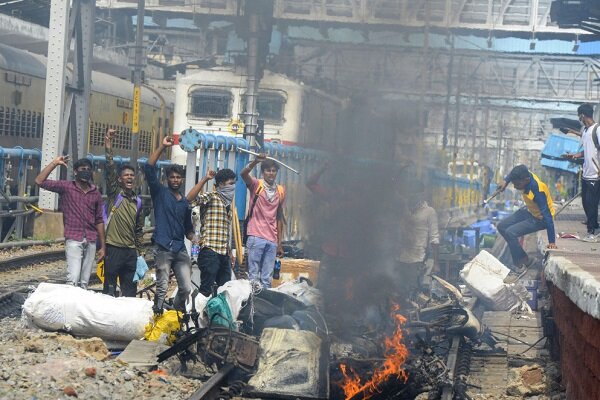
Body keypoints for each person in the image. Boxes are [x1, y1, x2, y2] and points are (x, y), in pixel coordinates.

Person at [35, 156, 105, 289]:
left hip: (91, 240)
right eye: (83, 169)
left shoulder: (95, 193)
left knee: (84, 282)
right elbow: (39, 181)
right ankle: (69, 307)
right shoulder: (66, 187)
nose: (86, 172)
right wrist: (54, 163)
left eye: (89, 170)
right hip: (73, 238)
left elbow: (99, 220)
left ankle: (78, 308)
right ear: (75, 172)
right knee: (72, 279)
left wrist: (102, 246)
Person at [144, 137, 194, 314]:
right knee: (162, 286)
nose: (175, 180)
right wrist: (162, 147)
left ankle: (176, 311)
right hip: (163, 246)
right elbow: (148, 168)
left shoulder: (184, 203)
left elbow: (188, 229)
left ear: (182, 179)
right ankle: (156, 313)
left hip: (180, 249)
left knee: (186, 288)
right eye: (172, 177)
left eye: (178, 177)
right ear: (167, 179)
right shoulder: (160, 193)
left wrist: (195, 238)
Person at [102, 129, 144, 297]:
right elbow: (110, 168)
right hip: (113, 249)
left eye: (132, 175)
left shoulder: (139, 202)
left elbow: (139, 230)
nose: (129, 177)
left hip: (130, 252)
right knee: (110, 290)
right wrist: (108, 144)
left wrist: (140, 253)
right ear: (119, 179)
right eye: (126, 175)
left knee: (130, 292)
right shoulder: (115, 193)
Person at [497, 165, 557, 279]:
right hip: (530, 211)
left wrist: (552, 241)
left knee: (510, 232)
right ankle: (525, 259)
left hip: (540, 219)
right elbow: (513, 172)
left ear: (526, 180)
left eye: (517, 184)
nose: (515, 187)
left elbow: (548, 217)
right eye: (513, 184)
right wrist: (505, 181)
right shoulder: (524, 173)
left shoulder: (537, 191)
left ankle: (519, 266)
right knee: (501, 226)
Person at [186, 168, 237, 296]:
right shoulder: (211, 197)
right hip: (210, 252)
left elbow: (224, 231)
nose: (233, 187)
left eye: (234, 183)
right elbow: (190, 199)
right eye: (230, 183)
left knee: (224, 291)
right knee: (206, 290)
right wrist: (205, 179)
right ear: (221, 184)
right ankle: (200, 314)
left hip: (223, 254)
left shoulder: (228, 205)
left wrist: (229, 251)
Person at [241, 155, 285, 288]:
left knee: (267, 278)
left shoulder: (280, 190)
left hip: (271, 239)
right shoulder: (256, 185)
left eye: (273, 170)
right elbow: (243, 174)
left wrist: (279, 243)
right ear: (263, 172)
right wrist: (255, 161)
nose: (271, 173)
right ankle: (252, 305)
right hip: (256, 236)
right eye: (268, 170)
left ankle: (263, 306)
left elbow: (279, 216)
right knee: (253, 277)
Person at [396, 181, 439, 298]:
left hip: (419, 258)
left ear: (421, 194)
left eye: (415, 193)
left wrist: (436, 263)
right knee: (401, 291)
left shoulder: (429, 212)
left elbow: (434, 239)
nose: (412, 196)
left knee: (415, 290)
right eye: (410, 193)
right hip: (401, 258)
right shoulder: (404, 210)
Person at [564, 104, 600, 239]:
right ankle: (594, 225)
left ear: (583, 115)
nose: (579, 118)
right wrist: (575, 155)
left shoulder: (597, 130)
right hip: (586, 173)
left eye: (579, 116)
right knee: (585, 202)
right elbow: (587, 151)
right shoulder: (585, 131)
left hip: (595, 175)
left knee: (592, 204)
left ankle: (592, 231)